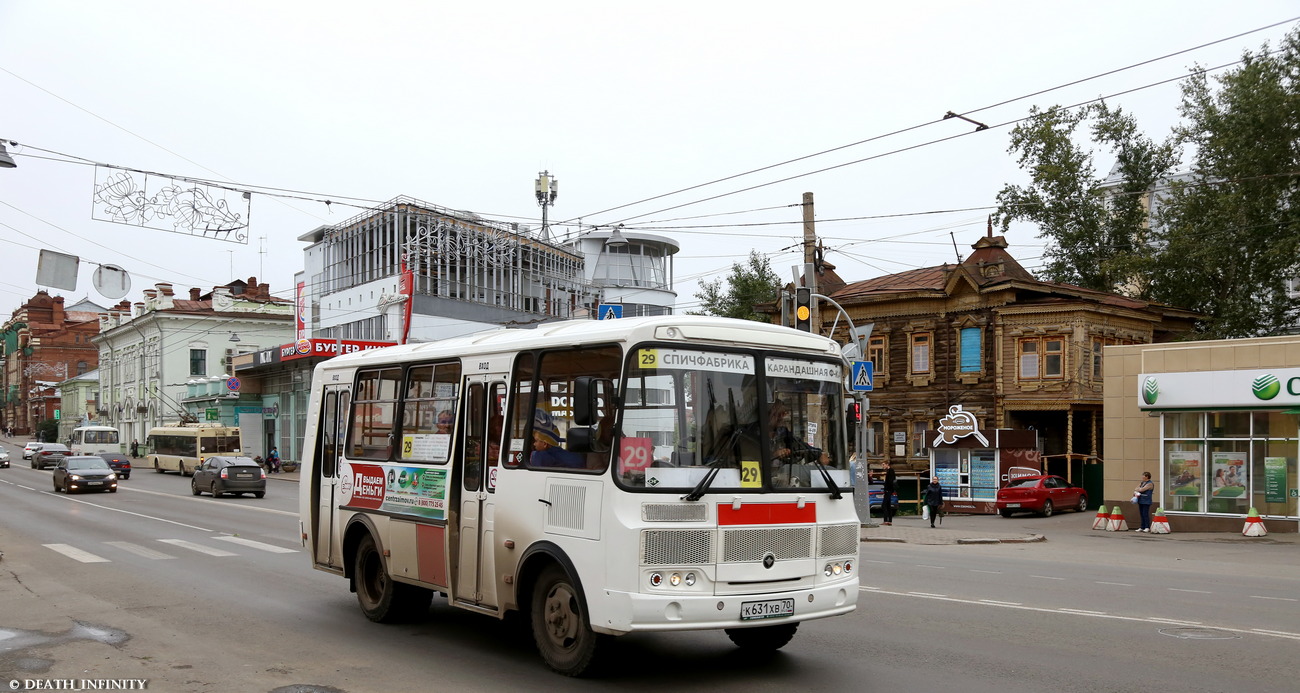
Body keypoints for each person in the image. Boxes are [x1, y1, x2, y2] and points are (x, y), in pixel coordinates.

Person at [880, 459, 897, 526]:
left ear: (887, 464)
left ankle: (886, 520)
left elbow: (890, 481)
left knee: (884, 505)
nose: (883, 466)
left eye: (883, 465)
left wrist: (887, 489)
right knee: (888, 505)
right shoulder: (889, 471)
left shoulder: (890, 471)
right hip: (889, 490)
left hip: (888, 490)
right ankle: (889, 520)